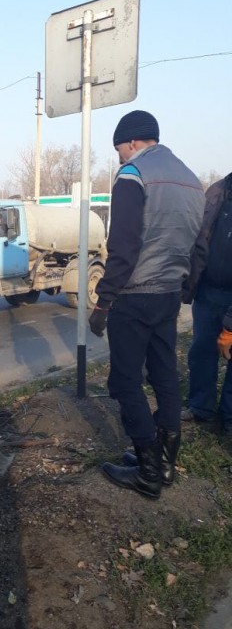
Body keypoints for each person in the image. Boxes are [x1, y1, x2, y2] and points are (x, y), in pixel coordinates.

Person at [88, 110, 204, 499]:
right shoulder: (191, 180)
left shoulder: (132, 175)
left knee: (124, 381)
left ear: (133, 142)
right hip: (169, 294)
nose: (119, 156)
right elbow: (198, 244)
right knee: (165, 375)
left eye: (119, 148)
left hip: (135, 295)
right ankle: (166, 463)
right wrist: (185, 286)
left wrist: (104, 302)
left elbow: (123, 246)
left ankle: (148, 472)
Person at [181, 172, 232, 431]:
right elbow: (199, 237)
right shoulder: (218, 190)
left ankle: (228, 418)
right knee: (201, 351)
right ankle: (201, 407)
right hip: (208, 291)